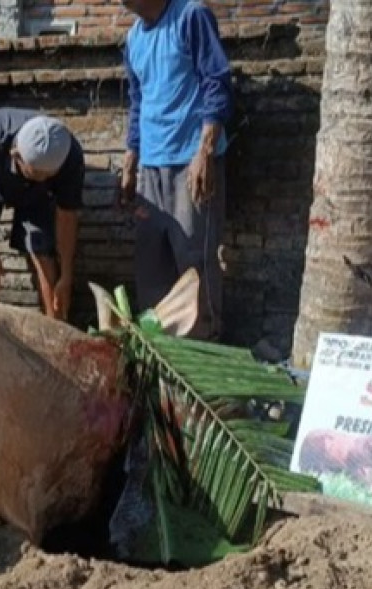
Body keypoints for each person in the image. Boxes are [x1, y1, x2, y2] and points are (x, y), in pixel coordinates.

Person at [119, 0, 233, 341]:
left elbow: (217, 82)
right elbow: (137, 102)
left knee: (194, 263)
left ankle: (206, 347)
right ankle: (160, 355)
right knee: (151, 267)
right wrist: (129, 162)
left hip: (190, 162)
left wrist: (206, 152)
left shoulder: (190, 16)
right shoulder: (133, 38)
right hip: (151, 167)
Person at [0, 108, 84, 320]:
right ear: (16, 155)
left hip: (39, 197)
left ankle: (56, 329)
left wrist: (67, 275)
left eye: (47, 175)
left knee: (45, 252)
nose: (41, 178)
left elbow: (66, 216)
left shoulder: (70, 154)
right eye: (36, 173)